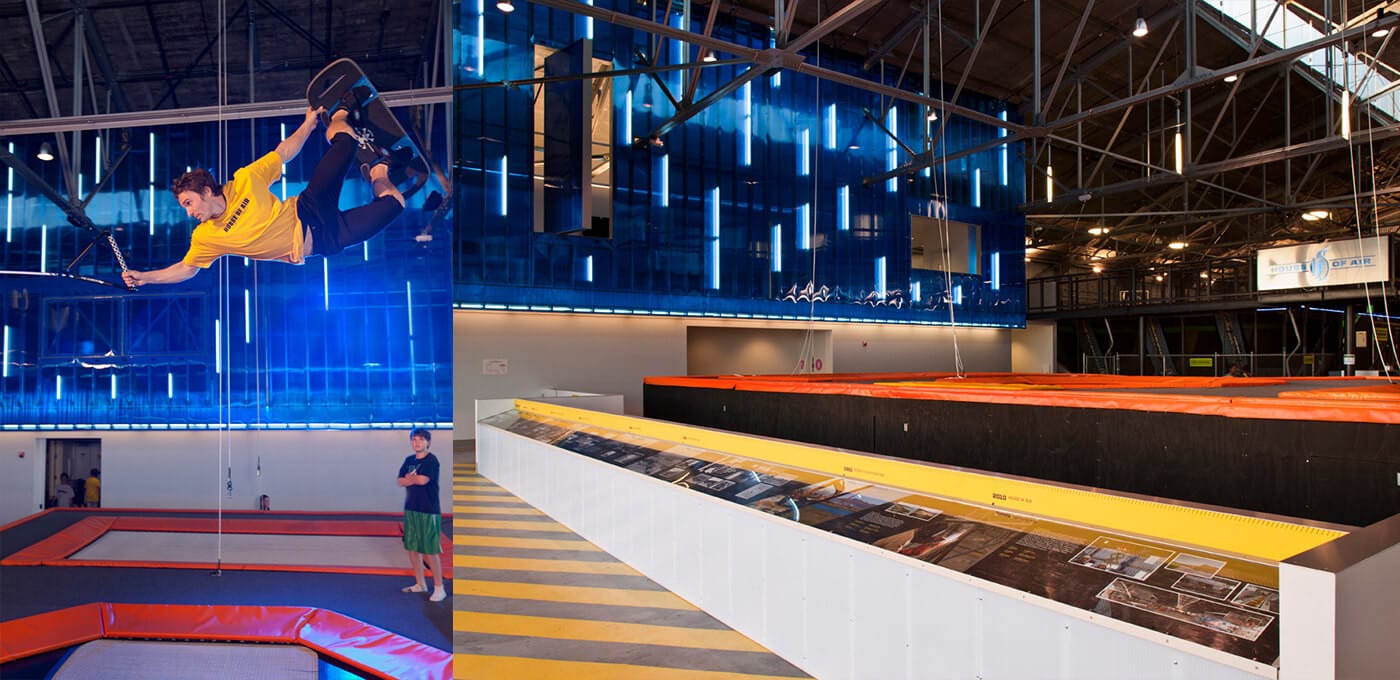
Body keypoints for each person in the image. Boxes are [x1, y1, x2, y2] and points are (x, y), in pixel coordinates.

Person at [121, 107, 405, 287]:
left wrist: (308, 125)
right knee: (394, 205)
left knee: (346, 143)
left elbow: (282, 154)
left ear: (206, 191)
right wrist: (146, 277)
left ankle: (340, 113)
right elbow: (186, 269)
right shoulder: (206, 238)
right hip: (324, 240)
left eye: (188, 203)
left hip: (308, 207)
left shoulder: (245, 180)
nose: (188, 212)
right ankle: (379, 169)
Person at [397, 427, 446, 602]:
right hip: (411, 508)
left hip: (428, 510)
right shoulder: (409, 460)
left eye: (421, 439)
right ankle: (420, 583)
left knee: (430, 550)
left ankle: (439, 587)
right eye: (414, 440)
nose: (417, 443)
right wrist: (411, 478)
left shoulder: (431, 460)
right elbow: (399, 481)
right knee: (412, 547)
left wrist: (410, 478)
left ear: (428, 442)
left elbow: (422, 480)